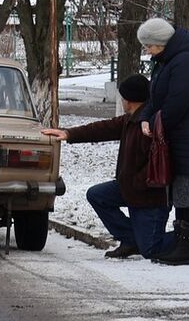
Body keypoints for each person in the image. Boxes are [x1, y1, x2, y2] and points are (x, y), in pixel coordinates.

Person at [41, 74, 166, 258]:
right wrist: (68, 134)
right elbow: (102, 129)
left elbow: (155, 165)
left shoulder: (148, 125)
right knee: (97, 195)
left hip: (148, 196)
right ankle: (131, 239)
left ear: (129, 100)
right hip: (131, 188)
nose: (122, 101)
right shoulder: (129, 120)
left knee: (151, 249)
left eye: (123, 97)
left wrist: (137, 184)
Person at [134, 17, 189, 265]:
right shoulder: (166, 61)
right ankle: (182, 245)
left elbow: (176, 104)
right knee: (182, 194)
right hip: (179, 139)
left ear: (161, 42)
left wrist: (154, 122)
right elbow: (156, 97)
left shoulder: (187, 62)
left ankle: (186, 247)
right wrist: (145, 116)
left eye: (149, 46)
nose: (147, 51)